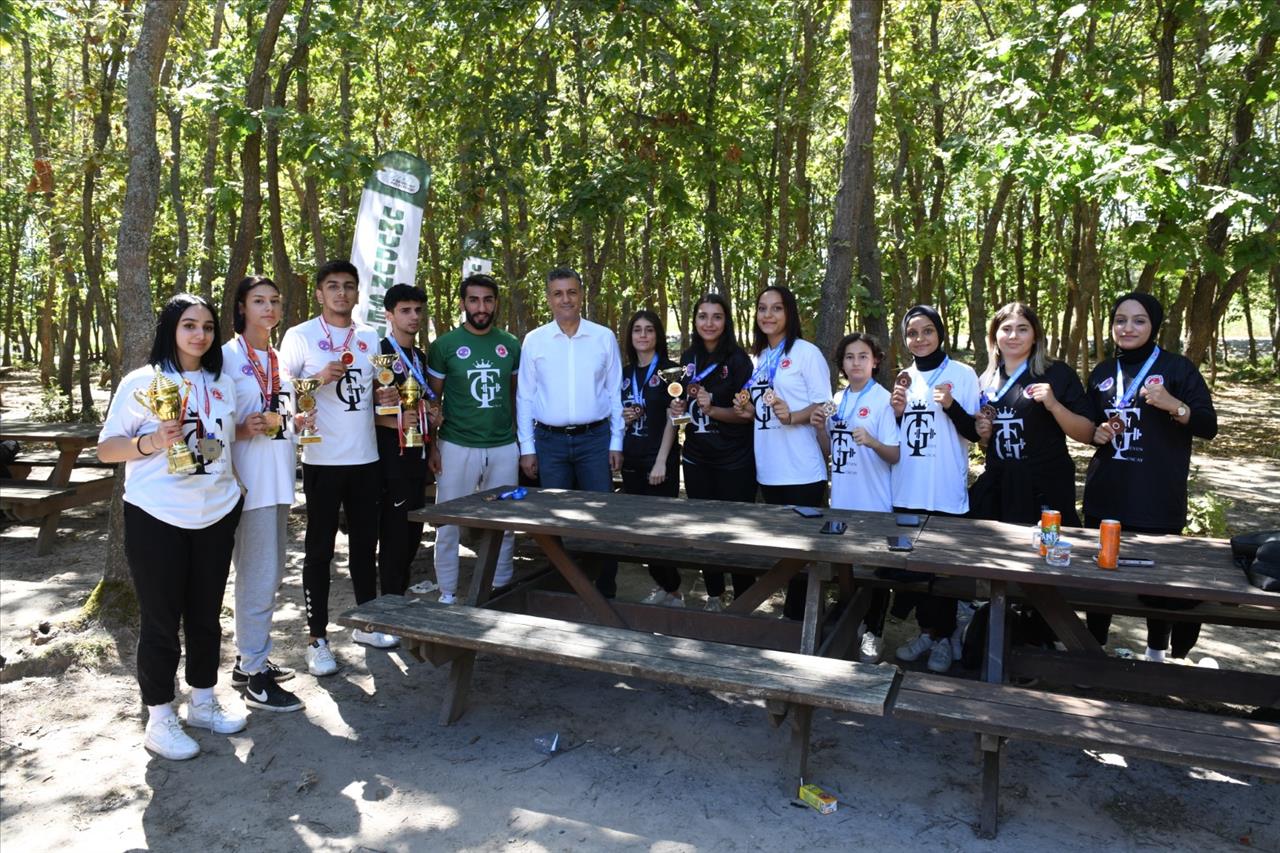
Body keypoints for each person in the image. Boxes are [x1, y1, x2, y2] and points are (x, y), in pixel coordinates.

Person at [98, 293, 246, 760]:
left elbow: (226, 432)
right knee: (161, 622)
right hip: (156, 516)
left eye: (206, 326)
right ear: (171, 330)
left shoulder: (223, 382)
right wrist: (149, 442)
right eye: (189, 325)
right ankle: (160, 718)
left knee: (205, 617)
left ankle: (203, 700)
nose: (199, 334)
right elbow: (107, 449)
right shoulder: (142, 382)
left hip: (216, 514)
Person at [1083, 292, 1218, 665]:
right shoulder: (1103, 373)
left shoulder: (1178, 368)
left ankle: (1156, 653)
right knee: (1100, 581)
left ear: (1154, 326)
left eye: (1139, 320)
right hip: (1106, 494)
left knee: (1159, 586)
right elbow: (1089, 425)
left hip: (1157, 496)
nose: (1128, 328)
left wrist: (1174, 404)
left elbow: (1209, 426)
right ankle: (1093, 650)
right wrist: (1097, 432)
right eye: (1120, 320)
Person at [279, 260, 400, 676]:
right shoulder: (300, 336)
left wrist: (389, 395)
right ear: (319, 293)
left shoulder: (369, 337)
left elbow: (381, 392)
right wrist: (316, 378)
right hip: (322, 460)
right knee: (319, 550)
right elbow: (281, 391)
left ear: (358, 293)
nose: (341, 294)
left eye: (349, 287)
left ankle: (367, 623)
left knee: (366, 547)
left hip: (366, 457)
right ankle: (317, 639)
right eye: (333, 287)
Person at [222, 276, 304, 712]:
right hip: (245, 484)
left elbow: (283, 414)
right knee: (257, 575)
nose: (269, 308)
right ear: (241, 308)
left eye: (274, 301)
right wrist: (240, 428)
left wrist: (296, 424)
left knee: (269, 574)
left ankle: (246, 659)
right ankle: (255, 676)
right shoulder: (225, 359)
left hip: (278, 481)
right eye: (259, 301)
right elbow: (210, 422)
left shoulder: (277, 359)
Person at [517, 267, 624, 597]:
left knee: (601, 518)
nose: (566, 299)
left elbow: (615, 392)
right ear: (549, 298)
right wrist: (527, 447)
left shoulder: (603, 337)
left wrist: (616, 441)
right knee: (555, 520)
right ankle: (565, 590)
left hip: (595, 440)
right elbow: (525, 396)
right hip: (549, 443)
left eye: (572, 292)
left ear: (581, 295)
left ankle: (605, 590)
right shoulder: (534, 341)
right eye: (558, 293)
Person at [887, 304, 980, 673]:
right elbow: (894, 439)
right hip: (907, 489)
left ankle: (946, 638)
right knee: (914, 572)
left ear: (940, 332)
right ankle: (928, 632)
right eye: (912, 333)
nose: (920, 339)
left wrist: (953, 406)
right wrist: (894, 413)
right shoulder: (903, 378)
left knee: (944, 573)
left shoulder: (963, 373)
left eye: (927, 331)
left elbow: (975, 433)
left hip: (944, 488)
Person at [731, 285, 830, 620]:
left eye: (776, 308)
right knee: (783, 551)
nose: (768, 315)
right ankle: (790, 619)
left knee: (802, 552)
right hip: (769, 468)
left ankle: (799, 623)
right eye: (762, 308)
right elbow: (761, 411)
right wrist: (746, 410)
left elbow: (825, 405)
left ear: (789, 313)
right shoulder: (757, 360)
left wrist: (794, 417)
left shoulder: (806, 353)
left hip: (802, 468)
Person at [427, 273, 521, 604]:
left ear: (496, 303)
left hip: (503, 446)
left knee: (505, 521)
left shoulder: (510, 344)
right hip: (456, 444)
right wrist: (431, 446)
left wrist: (519, 443)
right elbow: (432, 401)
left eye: (488, 300)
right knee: (449, 521)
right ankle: (448, 591)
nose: (481, 307)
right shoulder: (444, 346)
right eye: (474, 300)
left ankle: (500, 586)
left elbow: (514, 396)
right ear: (463, 303)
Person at [810, 332, 899, 661]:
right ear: (842, 364)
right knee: (846, 567)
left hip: (875, 502)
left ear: (875, 361)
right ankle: (852, 622)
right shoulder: (837, 398)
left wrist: (874, 442)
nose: (856, 363)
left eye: (863, 356)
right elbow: (829, 451)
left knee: (876, 570)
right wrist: (820, 428)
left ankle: (874, 631)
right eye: (850, 357)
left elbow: (895, 454)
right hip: (843, 500)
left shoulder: (883, 400)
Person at [970, 302, 1094, 525]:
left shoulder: (1057, 373)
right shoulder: (985, 380)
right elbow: (987, 443)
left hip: (1044, 488)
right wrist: (984, 435)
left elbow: (1086, 434)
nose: (1013, 335)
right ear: (995, 336)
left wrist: (1054, 405)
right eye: (1006, 329)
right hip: (1001, 488)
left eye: (1023, 328)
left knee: (1045, 554)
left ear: (1035, 336)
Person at [668, 293, 756, 609]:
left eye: (716, 316)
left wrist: (714, 408)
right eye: (702, 316)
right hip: (696, 458)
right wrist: (679, 407)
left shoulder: (739, 360)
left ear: (726, 321)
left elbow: (748, 415)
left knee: (737, 531)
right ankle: (714, 595)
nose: (709, 322)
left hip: (735, 459)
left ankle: (746, 598)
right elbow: (684, 409)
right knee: (706, 531)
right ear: (694, 321)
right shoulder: (689, 357)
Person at [621, 310, 682, 607]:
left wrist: (661, 461)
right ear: (630, 336)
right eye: (637, 330)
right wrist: (627, 418)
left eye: (649, 330)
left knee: (659, 530)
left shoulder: (671, 372)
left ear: (657, 335)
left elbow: (676, 419)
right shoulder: (624, 373)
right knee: (638, 531)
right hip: (632, 457)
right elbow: (617, 415)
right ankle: (664, 585)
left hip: (660, 461)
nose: (643, 335)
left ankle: (674, 591)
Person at [374, 284, 431, 603]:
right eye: (405, 310)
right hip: (389, 456)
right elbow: (365, 408)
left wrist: (429, 417)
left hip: (417, 453)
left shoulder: (419, 356)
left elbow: (420, 400)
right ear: (389, 314)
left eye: (418, 310)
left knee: (413, 529)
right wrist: (394, 420)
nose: (413, 317)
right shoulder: (379, 353)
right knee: (394, 530)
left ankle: (400, 588)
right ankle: (391, 596)